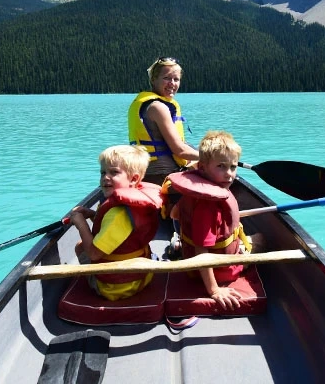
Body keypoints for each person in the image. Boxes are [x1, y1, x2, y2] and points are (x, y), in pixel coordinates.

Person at [164, 131, 264, 310]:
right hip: (219, 271)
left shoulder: (194, 190)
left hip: (191, 260)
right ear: (202, 167)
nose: (229, 174)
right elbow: (202, 250)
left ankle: (179, 245)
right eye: (221, 166)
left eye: (233, 167)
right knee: (261, 240)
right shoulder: (208, 205)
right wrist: (214, 290)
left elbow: (174, 214)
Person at [69, 145, 163, 301]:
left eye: (114, 172)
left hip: (117, 288)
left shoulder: (119, 214)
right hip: (143, 276)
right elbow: (115, 229)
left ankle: (95, 284)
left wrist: (80, 224)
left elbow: (94, 254)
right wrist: (92, 214)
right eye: (103, 172)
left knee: (80, 247)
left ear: (134, 179)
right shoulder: (129, 207)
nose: (106, 177)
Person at [128, 57, 199, 185]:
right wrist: (214, 158)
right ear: (153, 79)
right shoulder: (157, 107)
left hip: (147, 172)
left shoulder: (148, 103)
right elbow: (180, 151)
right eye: (167, 78)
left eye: (176, 79)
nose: (172, 83)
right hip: (162, 176)